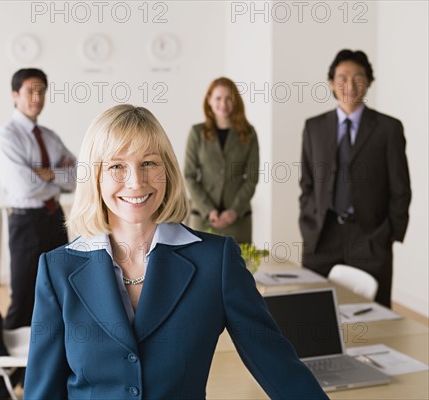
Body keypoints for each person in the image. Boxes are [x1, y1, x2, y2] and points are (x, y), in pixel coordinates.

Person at [23, 104, 327, 399]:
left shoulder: (216, 261)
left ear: (166, 170)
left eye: (149, 163)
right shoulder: (57, 269)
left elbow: (278, 366)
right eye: (117, 165)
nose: (136, 181)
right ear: (95, 176)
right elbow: (43, 391)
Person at [299, 49, 411, 308]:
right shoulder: (313, 127)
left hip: (370, 237)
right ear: (331, 83)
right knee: (315, 313)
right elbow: (307, 184)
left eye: (358, 77)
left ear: (369, 81)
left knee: (373, 316)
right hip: (322, 235)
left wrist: (388, 235)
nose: (349, 85)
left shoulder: (388, 129)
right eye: (342, 78)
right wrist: (308, 223)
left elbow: (401, 188)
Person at [0, 68, 76, 398]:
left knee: (62, 294)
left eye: (41, 91)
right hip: (26, 224)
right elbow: (23, 185)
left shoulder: (49, 136)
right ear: (15, 95)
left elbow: (75, 175)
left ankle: (48, 375)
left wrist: (48, 174)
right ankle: (2, 382)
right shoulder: (6, 137)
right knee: (23, 299)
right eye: (30, 91)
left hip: (56, 221)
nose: (37, 98)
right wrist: (55, 178)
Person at [184, 77, 259, 243]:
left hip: (238, 220)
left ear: (236, 101)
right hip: (204, 219)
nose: (223, 104)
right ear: (209, 100)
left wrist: (234, 211)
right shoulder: (197, 133)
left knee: (237, 266)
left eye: (228, 98)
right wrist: (208, 209)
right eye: (218, 98)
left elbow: (252, 178)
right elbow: (189, 175)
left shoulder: (248, 133)